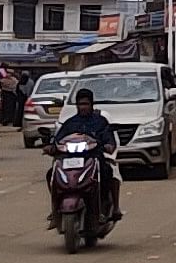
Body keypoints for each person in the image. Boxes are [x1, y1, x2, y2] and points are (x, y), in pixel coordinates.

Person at [48, 88, 122, 223]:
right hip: (69, 159)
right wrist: (51, 147)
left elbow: (108, 138)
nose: (83, 107)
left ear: (92, 104)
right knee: (51, 175)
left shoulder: (100, 122)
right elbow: (58, 139)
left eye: (86, 104)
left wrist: (108, 145)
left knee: (108, 173)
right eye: (80, 104)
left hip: (93, 158)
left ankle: (106, 208)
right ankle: (55, 210)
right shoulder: (70, 123)